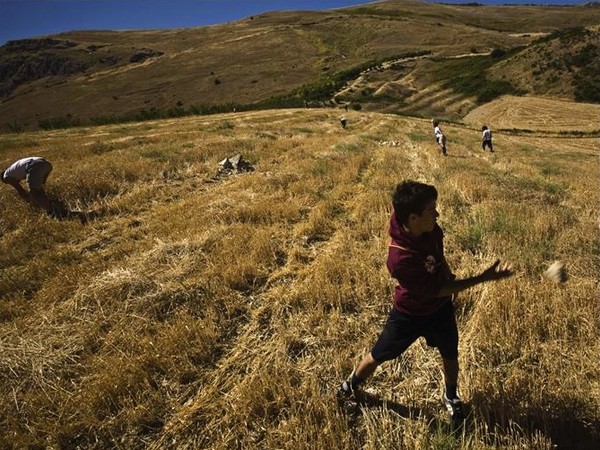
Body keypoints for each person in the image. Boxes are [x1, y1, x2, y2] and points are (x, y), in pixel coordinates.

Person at [338, 180, 514, 420]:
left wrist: (449, 273)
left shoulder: (431, 229)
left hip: (440, 311)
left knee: (450, 353)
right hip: (409, 314)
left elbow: (438, 258)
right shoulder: (400, 259)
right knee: (379, 354)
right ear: (412, 218)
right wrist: (483, 278)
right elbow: (436, 289)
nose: (437, 214)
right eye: (431, 210)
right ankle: (351, 385)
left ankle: (451, 395)